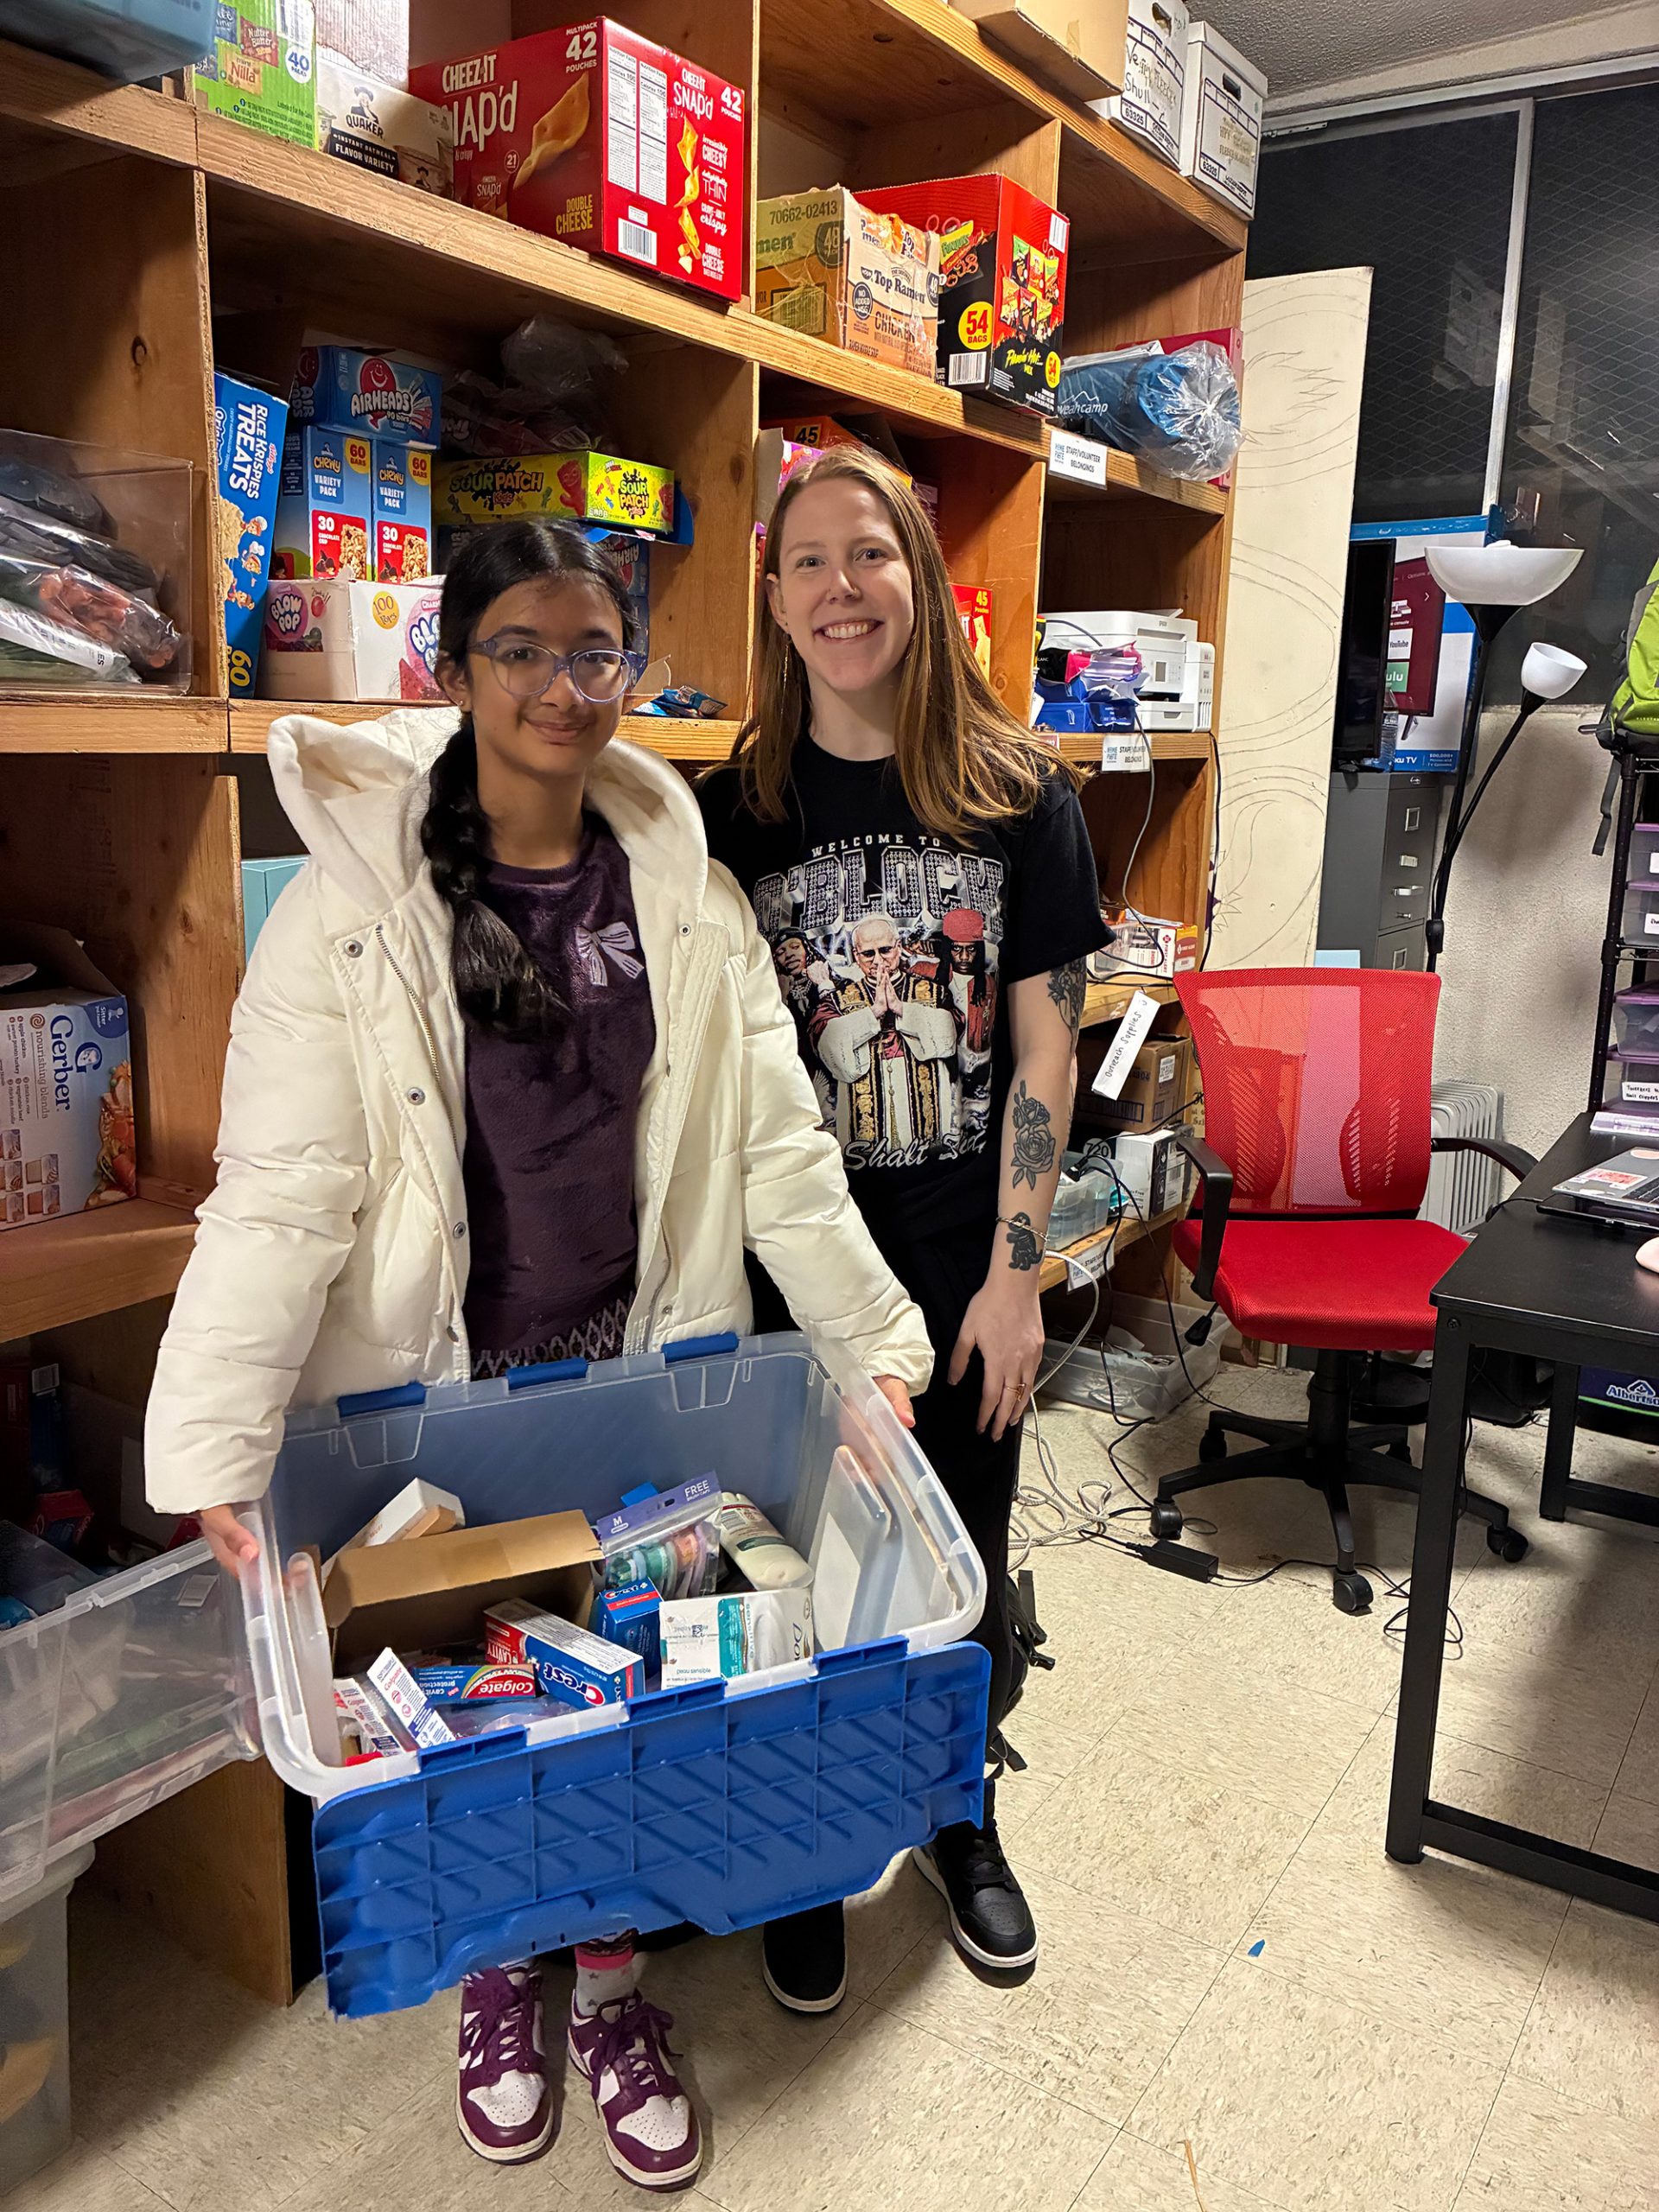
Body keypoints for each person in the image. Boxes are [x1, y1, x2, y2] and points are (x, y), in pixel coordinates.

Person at [143, 519, 932, 2190]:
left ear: (629, 671)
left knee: (632, 1701)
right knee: (469, 1722)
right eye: (522, 650)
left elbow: (782, 1150)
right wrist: (214, 1452)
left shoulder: (692, 895)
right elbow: (280, 1193)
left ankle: (616, 1985)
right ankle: (500, 1983)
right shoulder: (349, 917)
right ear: (452, 667)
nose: (564, 689)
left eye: (597, 654)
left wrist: (869, 1347)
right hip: (433, 1403)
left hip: (646, 1373)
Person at [699, 444, 1106, 2003]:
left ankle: (956, 1814)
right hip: (796, 1266)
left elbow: (1046, 1048)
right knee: (798, 1577)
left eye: (869, 555)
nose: (842, 589)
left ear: (920, 580)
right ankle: (811, 1846)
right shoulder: (732, 812)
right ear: (777, 595)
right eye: (808, 562)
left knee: (958, 1565)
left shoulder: (1018, 795)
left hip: (959, 1262)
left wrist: (1020, 1279)